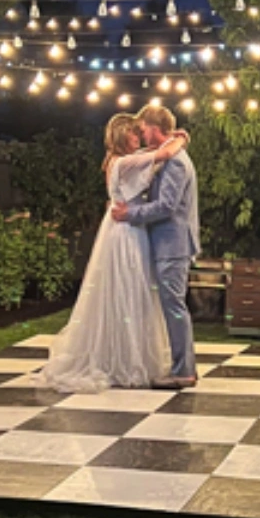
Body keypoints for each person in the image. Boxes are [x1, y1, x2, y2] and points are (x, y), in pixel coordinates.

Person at [38, 113, 187, 393]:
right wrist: (181, 138)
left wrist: (169, 140)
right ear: (121, 135)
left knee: (132, 292)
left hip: (130, 226)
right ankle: (123, 359)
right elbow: (163, 154)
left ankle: (127, 354)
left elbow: (153, 154)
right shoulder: (122, 162)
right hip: (126, 230)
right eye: (133, 133)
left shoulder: (124, 160)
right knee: (128, 291)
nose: (138, 137)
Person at [111, 104, 199, 389]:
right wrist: (180, 137)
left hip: (172, 245)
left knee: (174, 307)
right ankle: (181, 367)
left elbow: (167, 206)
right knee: (172, 305)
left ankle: (183, 371)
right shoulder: (168, 156)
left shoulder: (175, 162)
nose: (141, 134)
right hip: (168, 243)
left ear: (154, 128)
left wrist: (131, 214)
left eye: (143, 129)